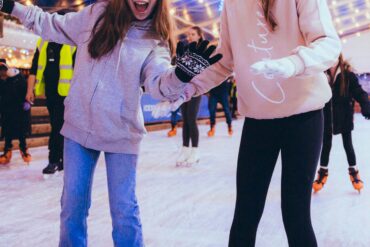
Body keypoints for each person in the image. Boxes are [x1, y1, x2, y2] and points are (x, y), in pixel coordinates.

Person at [0, 0, 221, 246]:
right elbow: (51, 24)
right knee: (72, 205)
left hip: (121, 132)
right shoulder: (96, 16)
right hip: (79, 127)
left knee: (124, 209)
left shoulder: (154, 39)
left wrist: (180, 76)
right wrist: (11, 6)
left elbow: (160, 86)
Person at [155, 0, 341, 246]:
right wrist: (185, 90)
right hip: (259, 119)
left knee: (295, 214)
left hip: (303, 115)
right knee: (245, 213)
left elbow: (328, 43)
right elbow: (225, 59)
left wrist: (292, 64)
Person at [313, 54, 370, 193]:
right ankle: (322, 173)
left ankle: (354, 172)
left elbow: (359, 92)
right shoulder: (321, 74)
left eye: (334, 57)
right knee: (326, 146)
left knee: (348, 145)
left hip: (343, 117)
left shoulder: (347, 75)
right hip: (326, 118)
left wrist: (365, 104)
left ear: (338, 58)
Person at [26, 34, 76, 178]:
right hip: (51, 93)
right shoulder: (43, 42)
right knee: (57, 125)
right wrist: (30, 90)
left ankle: (55, 160)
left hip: (69, 95)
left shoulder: (72, 41)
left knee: (61, 126)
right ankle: (60, 160)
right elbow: (34, 68)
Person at [176, 26, 204, 167]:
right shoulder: (186, 49)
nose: (190, 36)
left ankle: (195, 151)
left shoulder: (202, 51)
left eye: (193, 34)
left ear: (199, 36)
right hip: (184, 89)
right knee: (185, 119)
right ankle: (185, 149)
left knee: (191, 119)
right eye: (189, 34)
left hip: (196, 89)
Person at [0, 59, 32, 165]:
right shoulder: (4, 83)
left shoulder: (17, 79)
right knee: (7, 132)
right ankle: (7, 151)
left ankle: (23, 149)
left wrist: (27, 101)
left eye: (3, 69)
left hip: (19, 111)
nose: (2, 72)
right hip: (6, 112)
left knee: (21, 132)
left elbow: (26, 91)